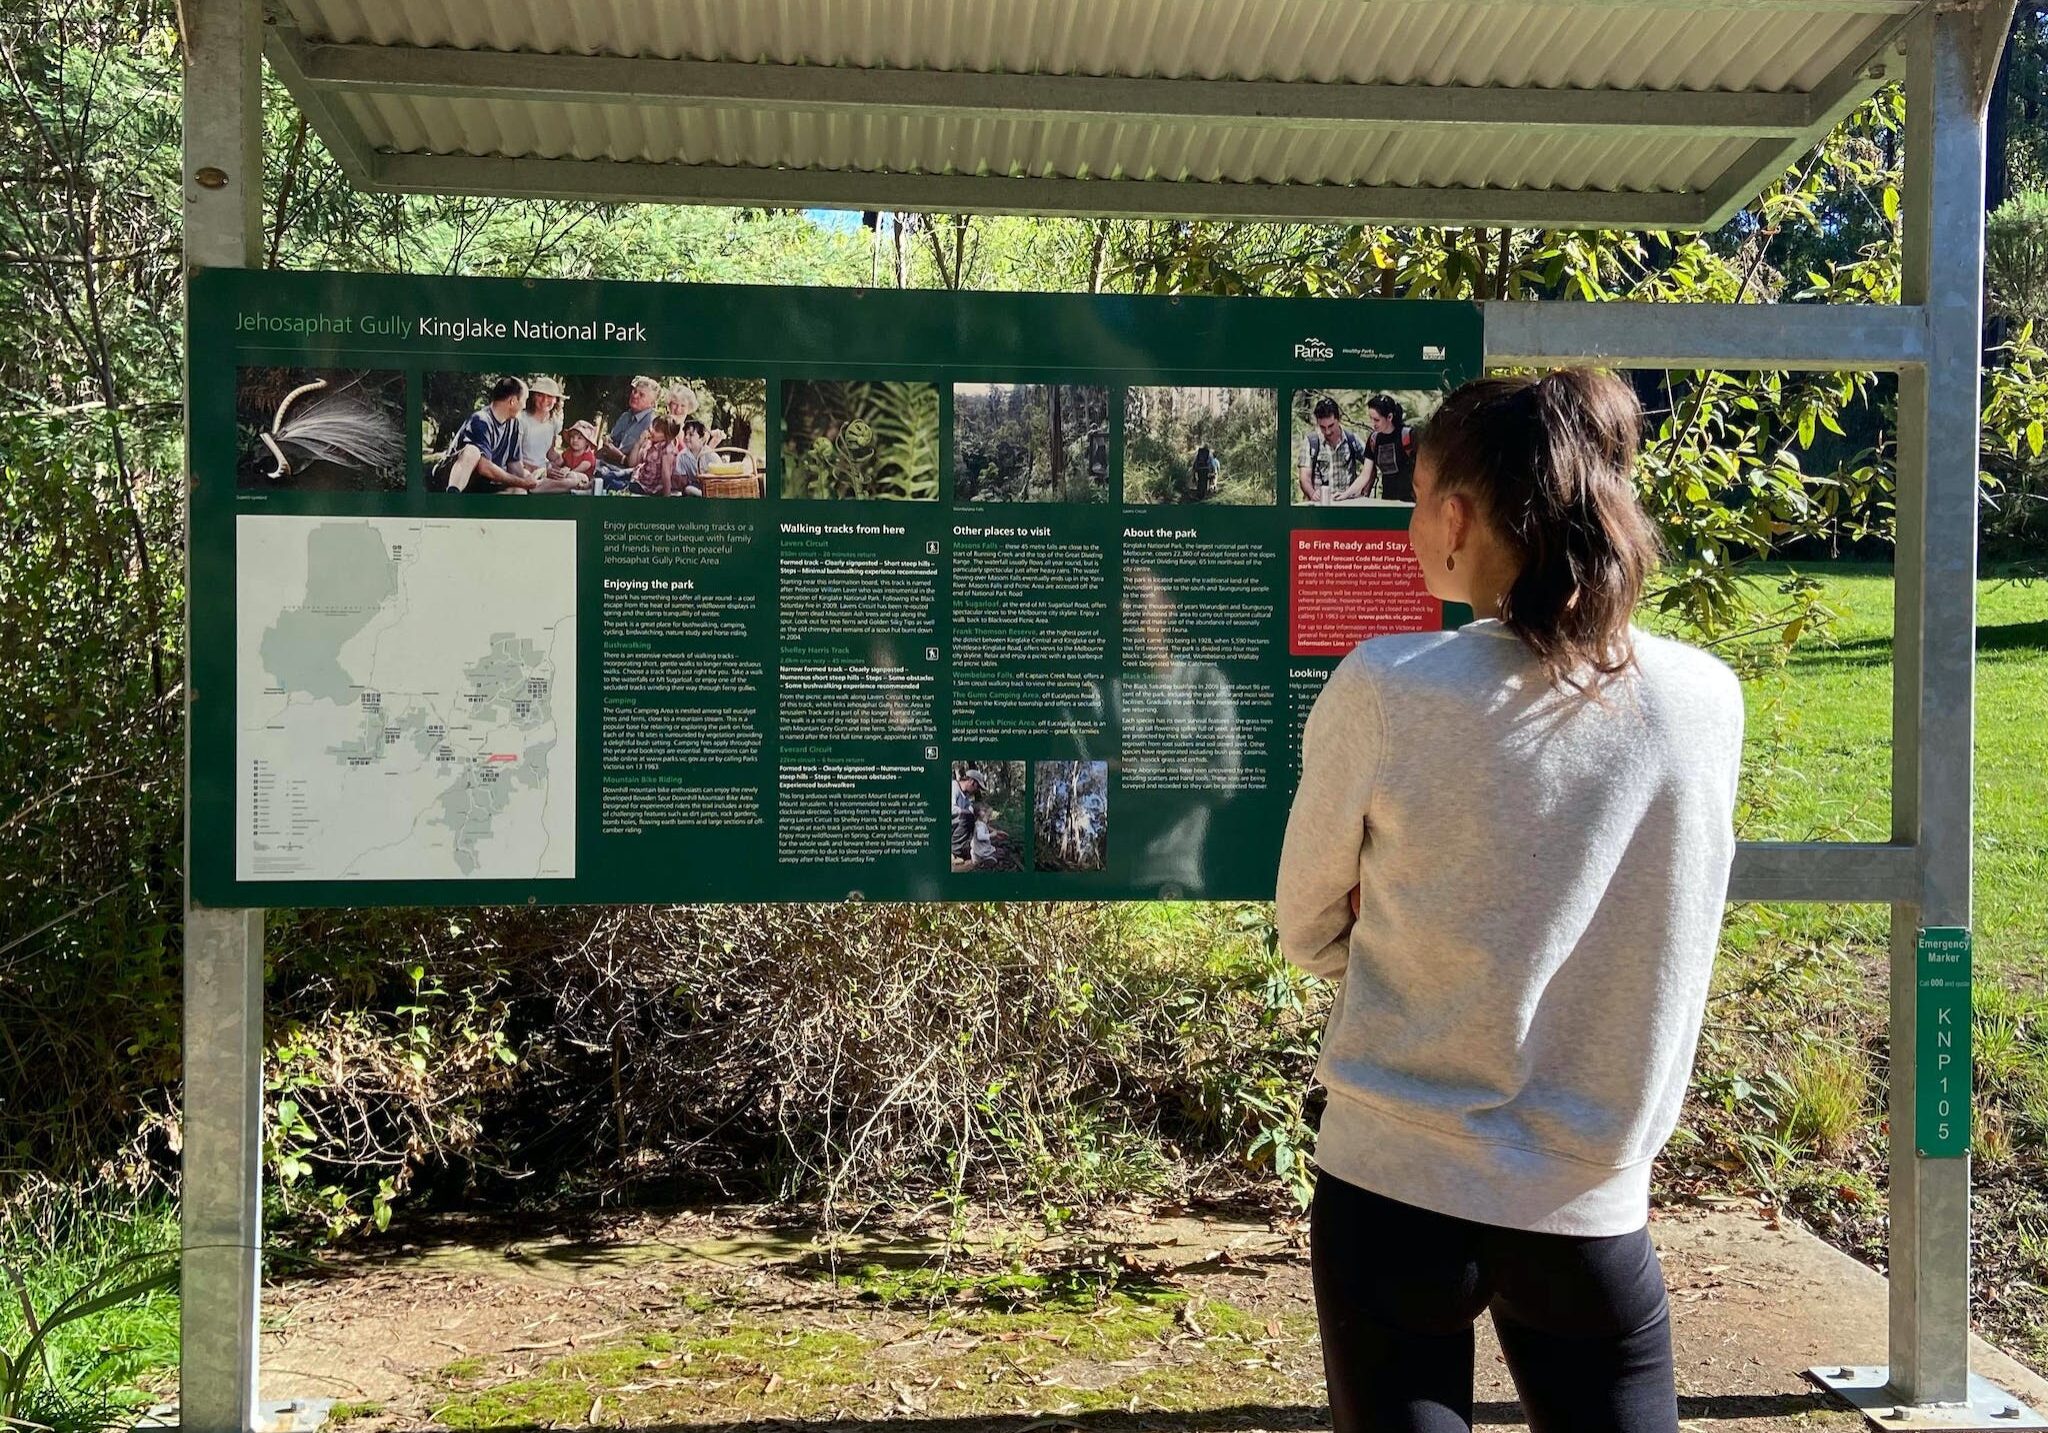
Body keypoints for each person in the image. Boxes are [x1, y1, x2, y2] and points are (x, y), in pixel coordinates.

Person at [1275, 368, 1744, 1433]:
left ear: (1452, 514)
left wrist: (1423, 953)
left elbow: (1306, 922)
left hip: (1391, 1182)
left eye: (1412, 499)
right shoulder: (1703, 701)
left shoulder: (1389, 685)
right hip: (1591, 1198)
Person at [435, 375, 536, 493]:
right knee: (472, 451)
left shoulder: (514, 425)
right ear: (512, 401)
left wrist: (529, 480)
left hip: (481, 483)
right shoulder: (481, 420)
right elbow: (484, 467)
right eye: (524, 400)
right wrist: (522, 482)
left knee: (519, 491)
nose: (524, 406)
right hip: (448, 478)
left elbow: (514, 465)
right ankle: (452, 495)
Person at [1298, 395, 1371, 503]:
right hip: (1321, 506)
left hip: (1347, 505)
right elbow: (1304, 477)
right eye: (1322, 427)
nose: (1327, 432)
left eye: (1331, 426)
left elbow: (1370, 466)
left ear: (1338, 419)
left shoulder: (1352, 439)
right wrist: (1312, 493)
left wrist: (1364, 492)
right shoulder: (1311, 442)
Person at [594, 375, 662, 490]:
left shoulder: (652, 424)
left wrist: (620, 457)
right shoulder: (626, 416)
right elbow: (612, 441)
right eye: (634, 391)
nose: (635, 395)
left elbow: (643, 465)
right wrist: (607, 442)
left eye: (641, 395)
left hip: (626, 474)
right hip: (606, 464)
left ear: (652, 403)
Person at [1351, 394, 1417, 503]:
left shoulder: (1407, 436)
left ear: (1389, 417)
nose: (1373, 424)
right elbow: (1365, 475)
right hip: (1387, 500)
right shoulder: (1374, 439)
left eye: (1376, 420)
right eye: (1370, 419)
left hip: (1411, 502)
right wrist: (1345, 494)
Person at [628, 414, 684, 496]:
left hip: (647, 487)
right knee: (609, 474)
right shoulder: (650, 442)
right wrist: (638, 443)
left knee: (615, 484)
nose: (652, 430)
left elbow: (666, 476)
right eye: (652, 426)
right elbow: (632, 464)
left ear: (667, 436)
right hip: (638, 476)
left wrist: (666, 497)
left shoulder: (667, 450)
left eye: (657, 430)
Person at [951, 769, 986, 866]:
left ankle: (961, 848)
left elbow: (974, 820)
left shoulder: (966, 798)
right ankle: (953, 852)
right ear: (971, 781)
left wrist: (992, 831)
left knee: (970, 817)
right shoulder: (954, 787)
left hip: (954, 827)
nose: (977, 790)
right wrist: (965, 812)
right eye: (977, 786)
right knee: (967, 816)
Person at [672, 416, 712, 497]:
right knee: (688, 489)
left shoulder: (710, 455)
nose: (686, 437)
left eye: (691, 435)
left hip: (711, 486)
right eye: (685, 434)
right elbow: (682, 481)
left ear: (701, 438)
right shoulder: (682, 456)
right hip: (693, 486)